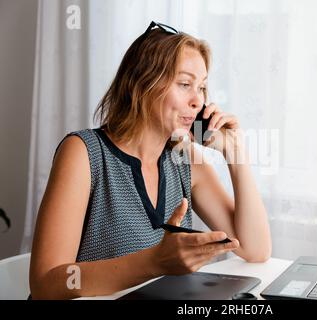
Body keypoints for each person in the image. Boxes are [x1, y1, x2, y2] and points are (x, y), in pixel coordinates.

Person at [29, 21, 271, 299]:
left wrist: (236, 155)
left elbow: (255, 249)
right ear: (142, 84)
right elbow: (45, 284)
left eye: (202, 87)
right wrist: (154, 262)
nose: (198, 101)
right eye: (184, 84)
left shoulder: (184, 158)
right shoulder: (83, 152)